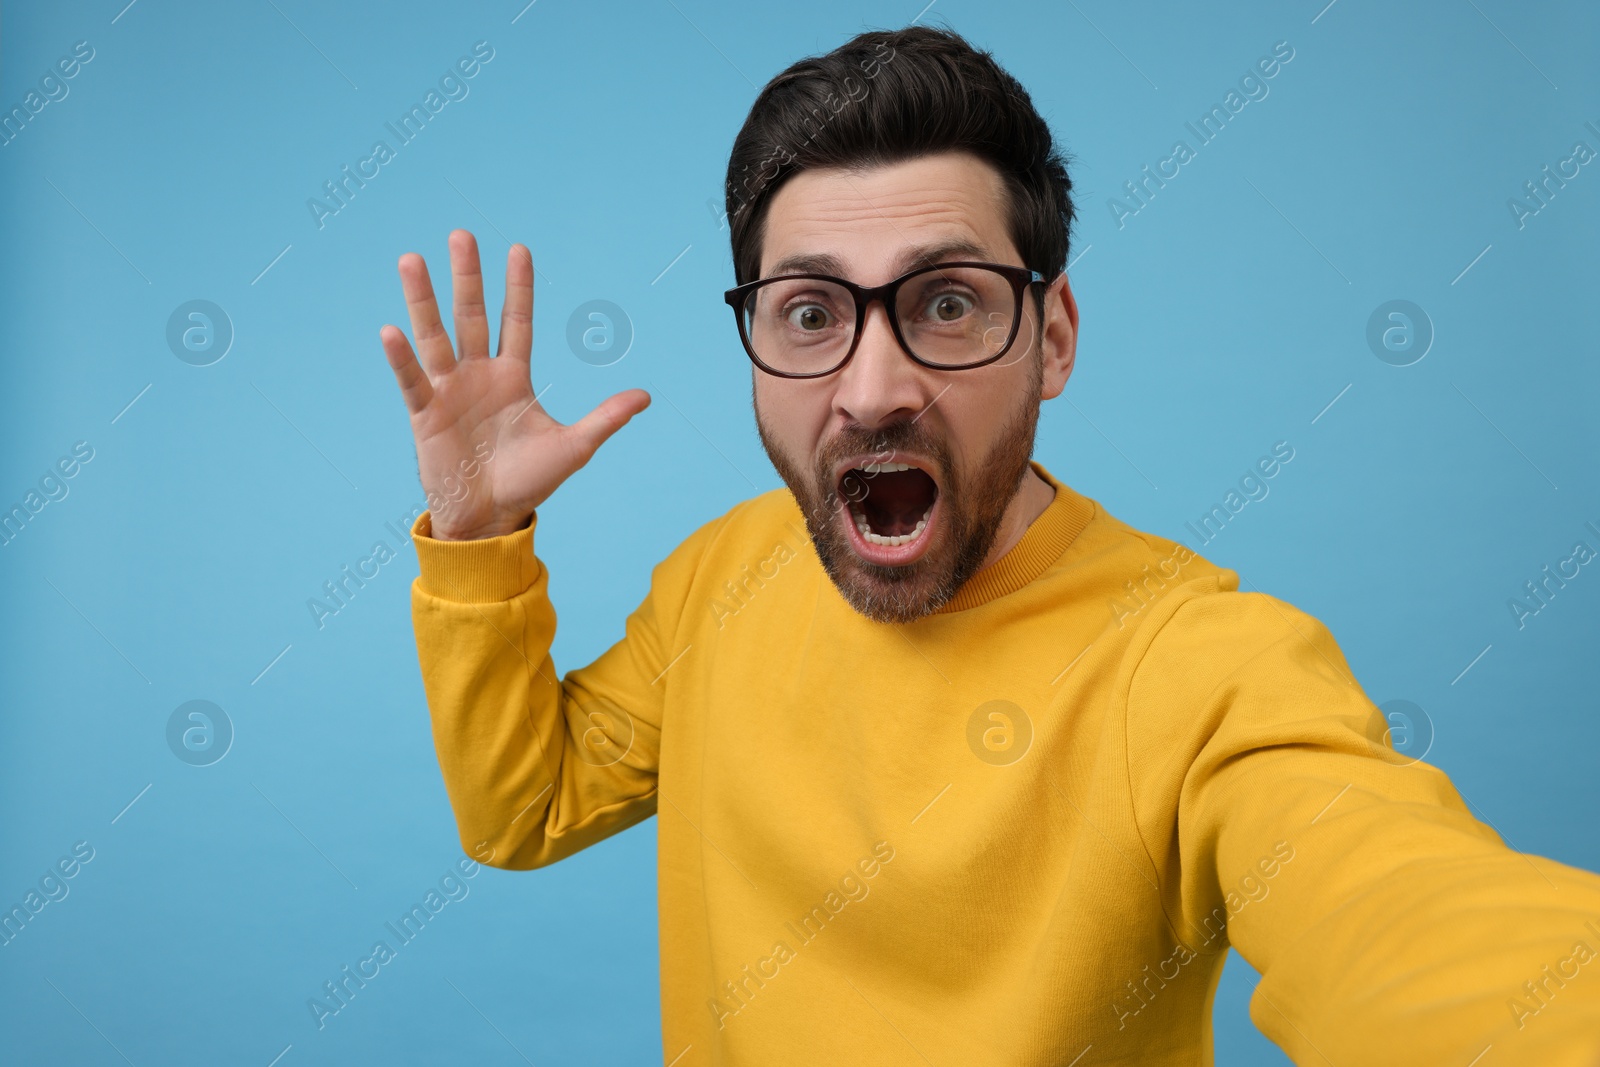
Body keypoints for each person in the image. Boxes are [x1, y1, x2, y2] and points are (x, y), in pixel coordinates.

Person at [378, 24, 1600, 1066]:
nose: (871, 387)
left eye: (945, 301)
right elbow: (522, 806)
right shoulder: (722, 573)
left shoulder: (1197, 667)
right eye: (809, 312)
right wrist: (481, 537)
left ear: (1052, 336)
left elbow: (1398, 906)